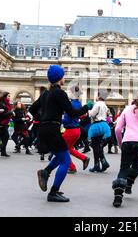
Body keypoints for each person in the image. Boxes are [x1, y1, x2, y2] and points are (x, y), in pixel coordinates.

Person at [31, 65, 90, 202]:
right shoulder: (59, 93)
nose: (64, 78)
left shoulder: (45, 93)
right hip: (53, 129)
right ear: (59, 78)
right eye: (63, 75)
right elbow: (73, 113)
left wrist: (42, 119)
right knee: (65, 160)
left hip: (44, 129)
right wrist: (87, 107)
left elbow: (33, 109)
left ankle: (45, 172)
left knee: (60, 155)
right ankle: (53, 192)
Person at [112, 90, 138, 207]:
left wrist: (120, 143)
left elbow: (117, 129)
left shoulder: (127, 109)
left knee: (124, 167)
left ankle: (118, 195)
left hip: (128, 140)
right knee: (136, 164)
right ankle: (129, 184)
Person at [62, 85, 90, 174]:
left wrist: (58, 120)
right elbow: (79, 115)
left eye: (68, 92)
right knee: (68, 148)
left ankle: (72, 167)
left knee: (62, 149)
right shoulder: (78, 103)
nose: (67, 93)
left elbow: (67, 120)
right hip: (77, 130)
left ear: (72, 93)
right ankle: (84, 158)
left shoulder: (70, 104)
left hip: (70, 130)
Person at [88, 91, 111, 173]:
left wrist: (89, 111)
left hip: (97, 125)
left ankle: (97, 165)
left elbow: (92, 114)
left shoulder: (97, 104)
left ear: (98, 97)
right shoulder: (104, 105)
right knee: (99, 146)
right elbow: (108, 114)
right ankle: (103, 162)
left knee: (95, 146)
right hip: (104, 125)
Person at [0, 92, 14, 157]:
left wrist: (11, 113)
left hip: (4, 123)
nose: (9, 97)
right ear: (5, 97)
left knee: (6, 136)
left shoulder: (6, 104)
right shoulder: (2, 104)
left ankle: (3, 151)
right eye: (8, 96)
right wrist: (11, 113)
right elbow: (3, 115)